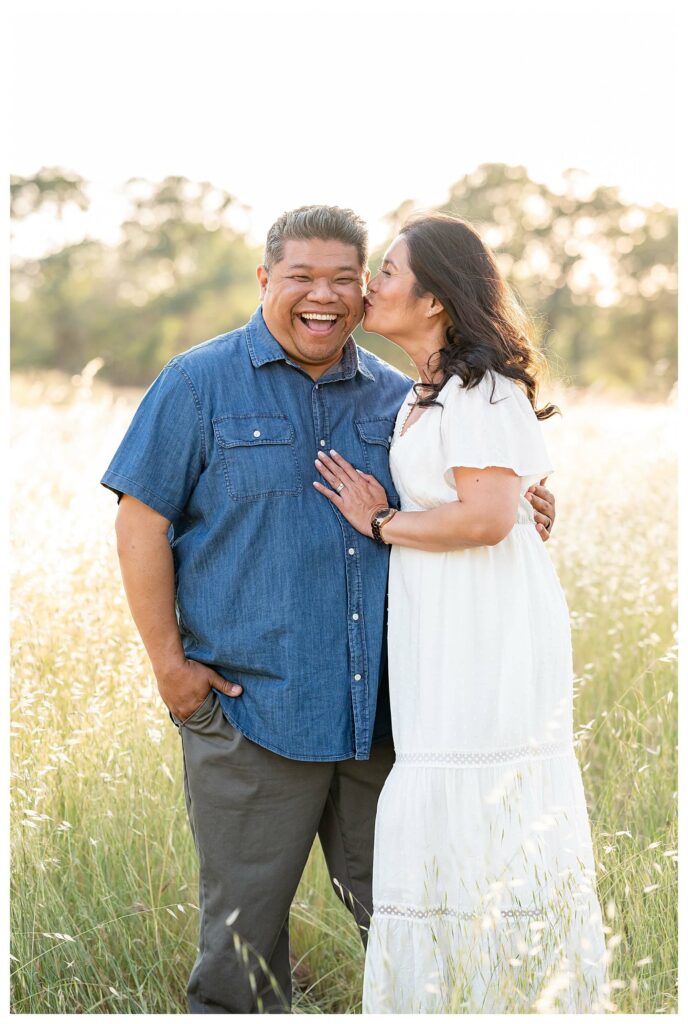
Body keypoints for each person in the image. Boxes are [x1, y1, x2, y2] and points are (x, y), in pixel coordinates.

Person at [101, 206, 557, 1013]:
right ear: (264, 279)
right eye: (303, 276)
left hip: (388, 726)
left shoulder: (401, 397)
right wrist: (170, 669)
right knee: (240, 959)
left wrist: (524, 504)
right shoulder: (197, 383)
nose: (326, 295)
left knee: (413, 935)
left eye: (348, 278)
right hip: (250, 718)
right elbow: (141, 522)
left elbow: (468, 490)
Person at [313, 214, 608, 1013]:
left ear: (435, 298)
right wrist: (513, 508)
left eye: (387, 271)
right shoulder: (435, 391)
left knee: (481, 792)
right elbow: (492, 504)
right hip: (445, 621)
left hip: (482, 628)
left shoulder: (478, 388)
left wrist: (379, 522)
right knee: (448, 800)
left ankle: (508, 996)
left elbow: (481, 520)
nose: (371, 285)